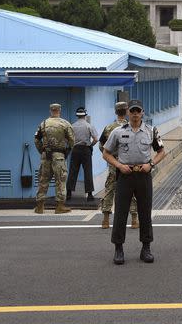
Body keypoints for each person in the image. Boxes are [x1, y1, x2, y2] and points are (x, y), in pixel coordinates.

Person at [102, 99, 166, 265]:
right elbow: (106, 153)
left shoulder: (151, 131)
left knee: (145, 212)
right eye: (133, 111)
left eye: (138, 111)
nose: (136, 114)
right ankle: (118, 249)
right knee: (121, 213)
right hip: (125, 175)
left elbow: (161, 152)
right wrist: (118, 165)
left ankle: (146, 248)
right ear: (128, 113)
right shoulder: (118, 131)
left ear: (143, 112)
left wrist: (151, 164)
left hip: (143, 175)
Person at [99, 102, 138, 230]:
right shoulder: (131, 126)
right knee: (132, 190)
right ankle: (134, 219)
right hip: (129, 163)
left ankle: (105, 220)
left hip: (114, 163)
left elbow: (102, 146)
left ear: (116, 112)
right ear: (127, 111)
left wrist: (110, 157)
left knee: (110, 189)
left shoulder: (109, 128)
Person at [33, 103, 75, 214]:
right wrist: (66, 152)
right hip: (59, 156)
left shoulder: (43, 123)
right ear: (59, 110)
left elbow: (36, 139)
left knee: (43, 180)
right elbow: (72, 141)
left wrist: (42, 151)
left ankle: (40, 207)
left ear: (50, 111)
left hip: (45, 156)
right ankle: (60, 206)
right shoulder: (65, 124)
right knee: (60, 180)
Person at [67, 106, 98, 202]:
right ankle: (89, 195)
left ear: (77, 115)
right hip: (86, 150)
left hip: (75, 149)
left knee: (72, 171)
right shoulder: (89, 126)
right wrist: (90, 145)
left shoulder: (72, 126)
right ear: (85, 115)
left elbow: (68, 140)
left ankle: (68, 194)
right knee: (87, 171)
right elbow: (96, 139)